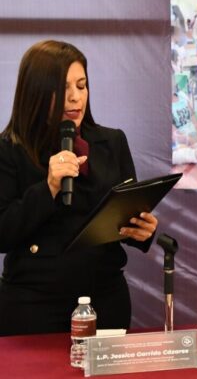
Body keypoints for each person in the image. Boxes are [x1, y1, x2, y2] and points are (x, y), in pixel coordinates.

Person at [0, 40, 158, 336]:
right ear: (36, 92)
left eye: (82, 86)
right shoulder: (9, 149)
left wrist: (142, 231)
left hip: (104, 297)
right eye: (63, 89)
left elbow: (125, 215)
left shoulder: (112, 142)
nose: (75, 97)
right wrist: (48, 188)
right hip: (32, 302)